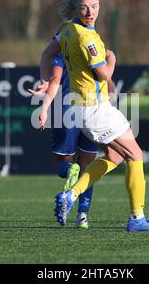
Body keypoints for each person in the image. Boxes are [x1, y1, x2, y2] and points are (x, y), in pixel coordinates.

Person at [36, 0, 149, 232]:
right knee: (136, 156)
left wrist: (45, 79)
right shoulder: (88, 37)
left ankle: (71, 195)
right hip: (93, 108)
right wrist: (112, 61)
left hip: (81, 106)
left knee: (116, 157)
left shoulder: (66, 29)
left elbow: (46, 54)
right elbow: (103, 72)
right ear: (76, 8)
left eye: (94, 7)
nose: (90, 12)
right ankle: (137, 219)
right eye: (85, 7)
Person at [35, 51, 99, 229]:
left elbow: (55, 81)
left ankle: (70, 169)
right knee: (88, 169)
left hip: (66, 112)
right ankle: (83, 215)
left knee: (62, 165)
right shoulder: (93, 53)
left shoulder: (61, 56)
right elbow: (106, 77)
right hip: (93, 112)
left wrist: (45, 108)